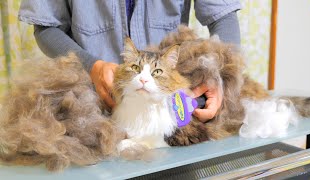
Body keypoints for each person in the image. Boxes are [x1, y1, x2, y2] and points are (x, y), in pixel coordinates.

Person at [19, 0, 241, 122]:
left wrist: (218, 78)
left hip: (168, 112)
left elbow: (223, 16)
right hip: (93, 108)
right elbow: (46, 28)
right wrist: (92, 66)